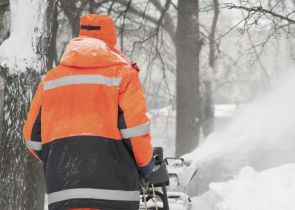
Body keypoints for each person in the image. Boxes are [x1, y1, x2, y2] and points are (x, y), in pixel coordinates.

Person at [23, 14, 154, 210]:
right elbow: (135, 130)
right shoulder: (124, 75)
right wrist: (146, 165)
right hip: (116, 193)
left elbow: (32, 138)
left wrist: (62, 158)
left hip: (64, 193)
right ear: (111, 40)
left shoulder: (50, 81)